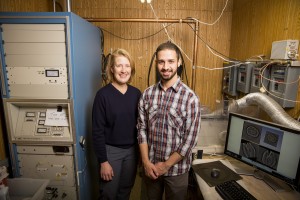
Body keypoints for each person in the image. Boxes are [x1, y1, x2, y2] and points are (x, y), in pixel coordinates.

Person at [137, 42, 201, 200]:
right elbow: (141, 130)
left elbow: (189, 141)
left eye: (171, 61)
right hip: (150, 169)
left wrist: (165, 166)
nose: (166, 67)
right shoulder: (147, 94)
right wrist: (146, 162)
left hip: (177, 171)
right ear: (156, 63)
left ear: (179, 62)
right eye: (161, 62)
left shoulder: (190, 98)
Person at [92, 48, 141, 200]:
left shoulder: (136, 94)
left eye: (127, 66)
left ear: (131, 69)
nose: (123, 70)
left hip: (132, 153)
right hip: (111, 153)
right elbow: (97, 131)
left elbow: (141, 127)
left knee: (125, 192)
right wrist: (103, 161)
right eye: (119, 66)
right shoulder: (102, 95)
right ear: (112, 69)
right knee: (108, 194)